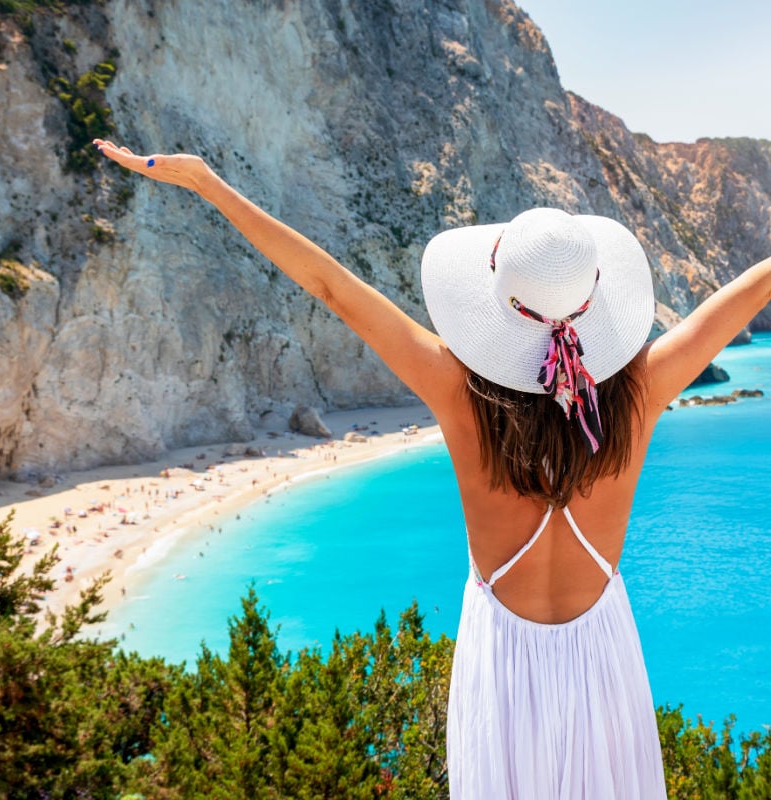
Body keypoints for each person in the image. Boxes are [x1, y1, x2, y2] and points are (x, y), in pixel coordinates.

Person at [94, 138, 771, 799]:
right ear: (594, 303)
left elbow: (330, 285)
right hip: (604, 659)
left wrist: (209, 184)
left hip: (503, 667)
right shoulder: (639, 396)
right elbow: (744, 295)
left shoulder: (458, 395)